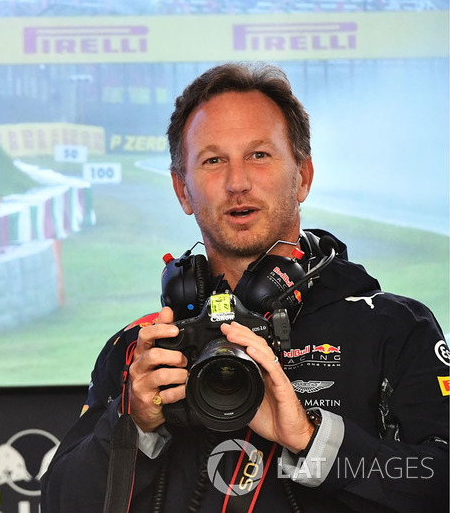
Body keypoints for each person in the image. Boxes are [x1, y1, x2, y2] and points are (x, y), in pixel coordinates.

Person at [40, 63, 449, 511]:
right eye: (213, 161)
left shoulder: (393, 328)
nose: (237, 183)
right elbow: (60, 502)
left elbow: (438, 482)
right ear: (182, 189)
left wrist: (313, 441)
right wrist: (134, 429)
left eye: (259, 155)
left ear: (304, 177)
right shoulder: (138, 350)